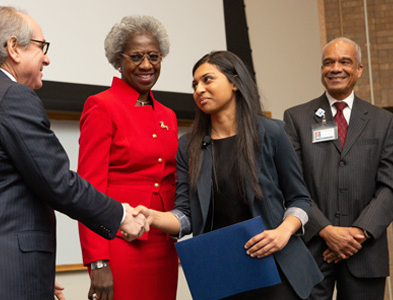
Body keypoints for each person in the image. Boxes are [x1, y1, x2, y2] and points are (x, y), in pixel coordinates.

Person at [0, 6, 149, 300]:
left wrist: (25, 268)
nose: (47, 58)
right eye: (42, 47)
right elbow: (57, 182)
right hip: (0, 275)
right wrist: (121, 215)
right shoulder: (12, 95)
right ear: (14, 48)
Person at [136, 50, 323, 299]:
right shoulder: (188, 146)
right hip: (221, 270)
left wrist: (283, 232)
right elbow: (186, 215)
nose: (199, 90)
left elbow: (300, 199)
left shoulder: (272, 133)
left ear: (235, 82)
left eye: (207, 79)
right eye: (194, 85)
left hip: (276, 265)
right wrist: (152, 217)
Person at [77, 15, 179, 300]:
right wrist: (97, 261)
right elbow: (88, 190)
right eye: (136, 57)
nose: (146, 65)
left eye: (154, 56)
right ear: (118, 60)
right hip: (120, 242)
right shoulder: (101, 106)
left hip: (164, 243)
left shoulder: (168, 115)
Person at [283, 37, 393, 300]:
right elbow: (291, 183)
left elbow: (389, 185)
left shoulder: (384, 121)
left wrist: (356, 235)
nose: (335, 68)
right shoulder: (296, 118)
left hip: (365, 252)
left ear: (359, 69)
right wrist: (326, 231)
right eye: (328, 62)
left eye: (345, 62)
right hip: (312, 249)